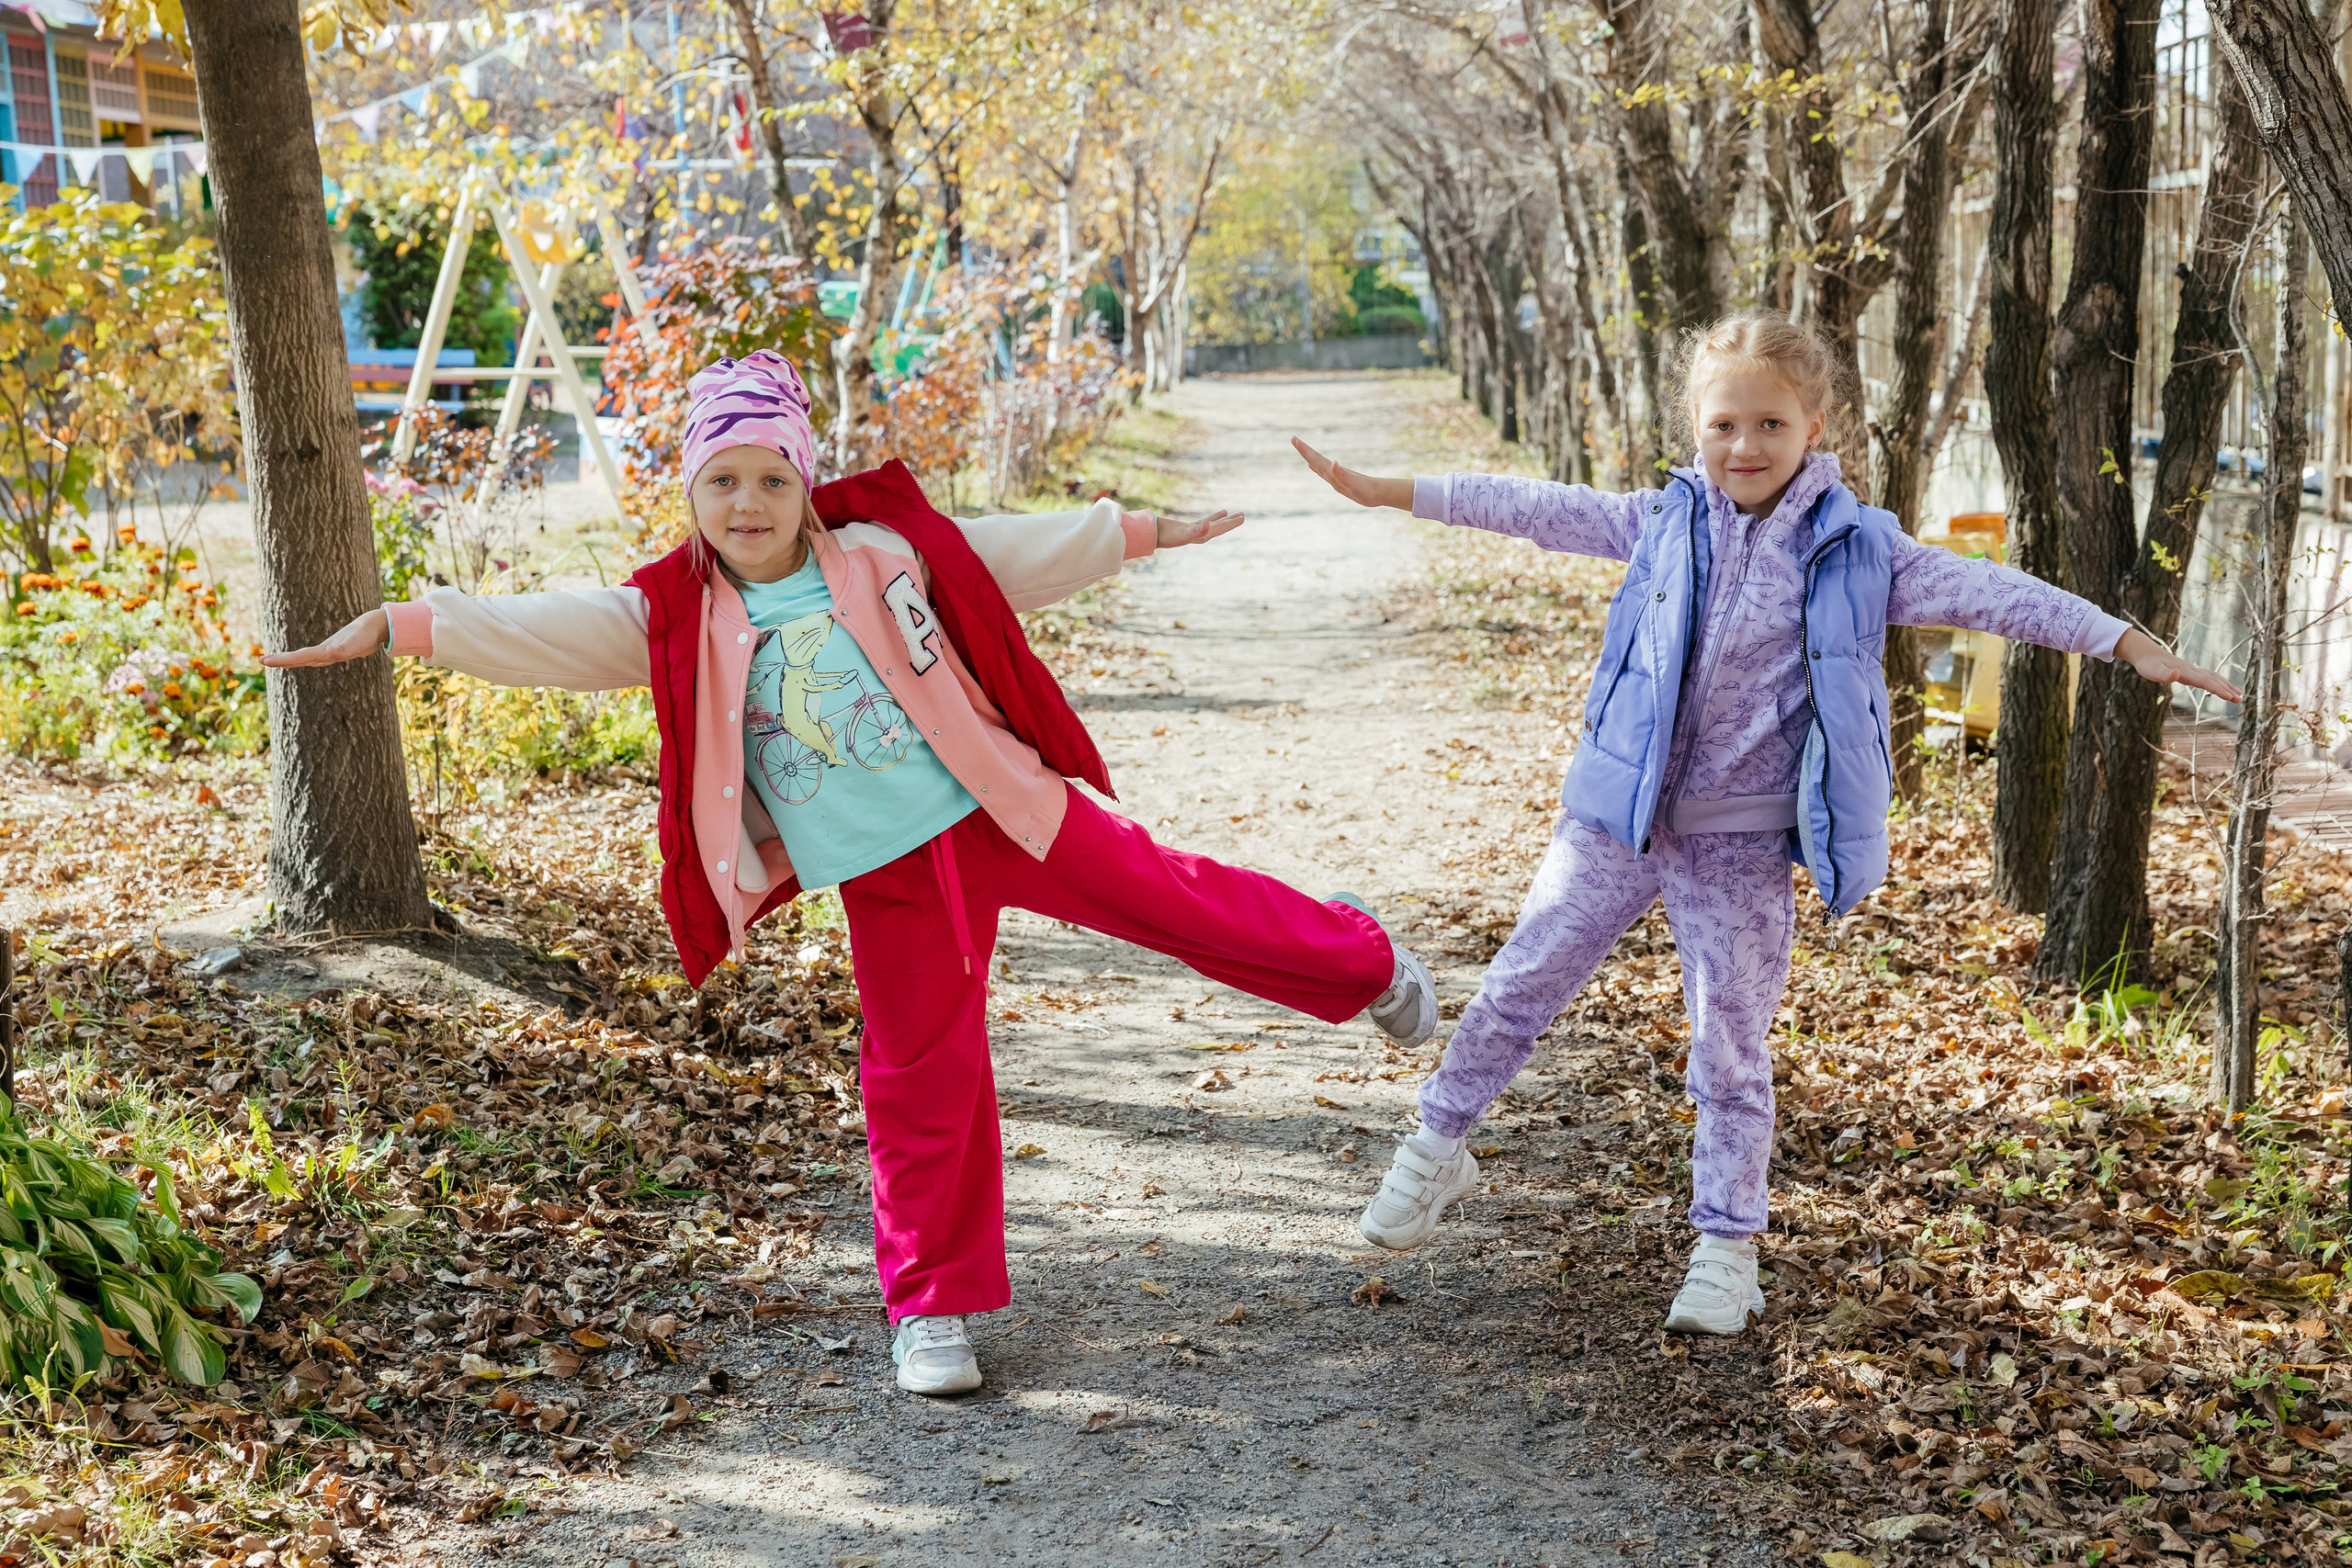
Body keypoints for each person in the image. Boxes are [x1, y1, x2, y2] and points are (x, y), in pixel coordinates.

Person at [269, 351, 1438, 1393]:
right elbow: (544, 627)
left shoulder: (879, 551)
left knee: (1178, 899)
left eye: (773, 479)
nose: (749, 503)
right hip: (879, 869)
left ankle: (1363, 960)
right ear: (689, 492)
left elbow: (1004, 554)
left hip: (1001, 810)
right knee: (918, 1068)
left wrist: (1143, 532)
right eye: (722, 480)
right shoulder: (670, 611)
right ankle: (931, 1307)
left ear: (805, 483)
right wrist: (400, 626)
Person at [1293, 310, 2239, 1336]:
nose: (1744, 448)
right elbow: (1528, 505)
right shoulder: (1662, 520)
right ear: (1695, 429)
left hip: (1738, 846)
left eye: (1769, 427)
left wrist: (2120, 640)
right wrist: (1383, 489)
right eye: (1723, 426)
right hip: (1615, 819)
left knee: (1729, 1048)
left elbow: (1990, 594)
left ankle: (1726, 1248)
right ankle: (1437, 1148)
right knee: (1519, 985)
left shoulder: (1861, 550)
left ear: (1814, 426)